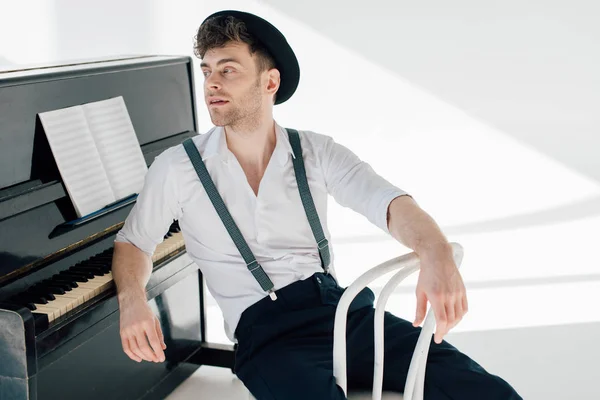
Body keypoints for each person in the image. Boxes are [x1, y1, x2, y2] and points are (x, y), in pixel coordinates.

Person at [112, 9, 522, 400]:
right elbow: (134, 242)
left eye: (228, 70)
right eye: (207, 71)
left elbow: (389, 203)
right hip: (266, 334)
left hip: (344, 311)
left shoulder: (315, 151)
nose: (211, 84)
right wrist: (133, 299)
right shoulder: (177, 167)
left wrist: (436, 251)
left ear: (269, 82)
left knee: (480, 388)